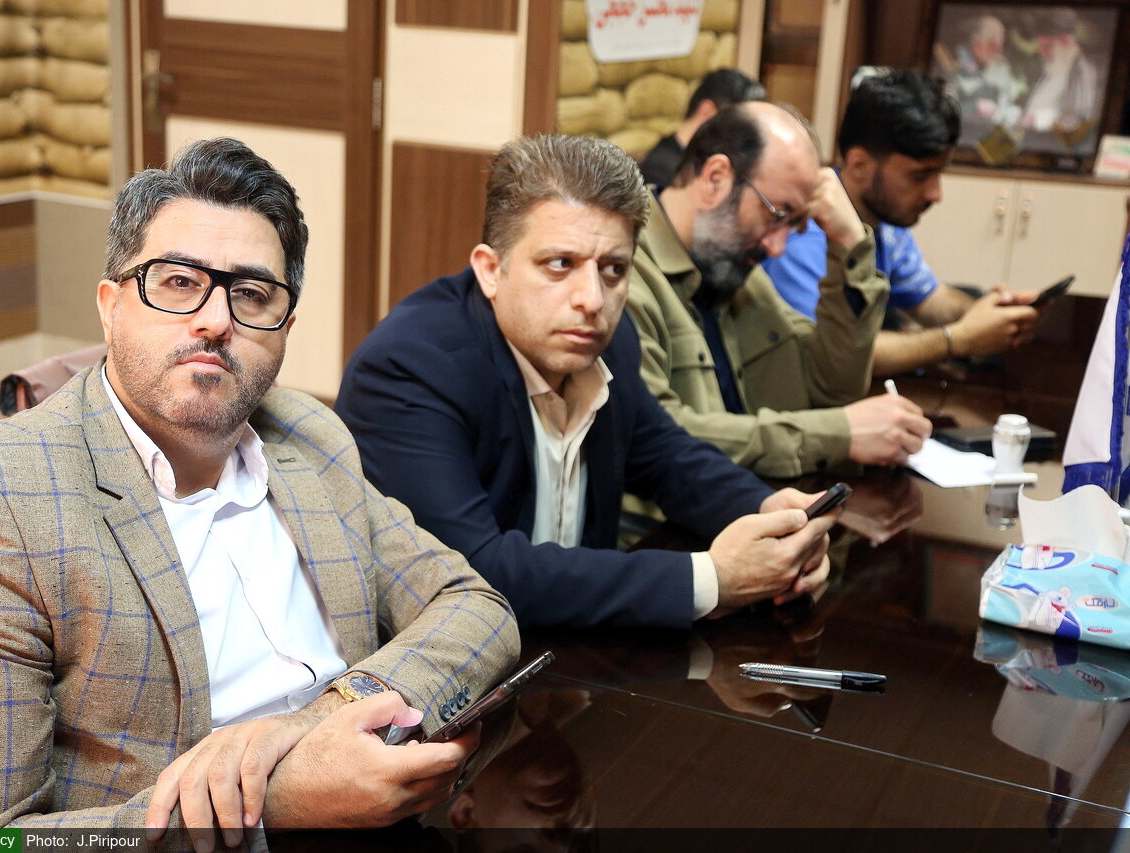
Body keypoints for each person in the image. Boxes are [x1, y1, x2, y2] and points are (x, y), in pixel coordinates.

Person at [0, 138, 520, 837]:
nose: (216, 319)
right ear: (110, 305)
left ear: (285, 328)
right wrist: (277, 800)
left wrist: (316, 719)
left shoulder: (309, 433)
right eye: (178, 282)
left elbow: (475, 607)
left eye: (251, 294)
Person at [336, 134, 838, 631]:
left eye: (614, 269)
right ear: (490, 270)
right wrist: (712, 579)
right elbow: (476, 573)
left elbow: (667, 457)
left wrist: (769, 510)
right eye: (561, 264)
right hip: (447, 665)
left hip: (578, 652)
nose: (593, 300)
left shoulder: (606, 340)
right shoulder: (409, 368)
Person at [625, 101, 931, 480]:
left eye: (796, 225)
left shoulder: (736, 269)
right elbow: (658, 438)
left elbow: (831, 387)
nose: (777, 248)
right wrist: (837, 434)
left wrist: (849, 244)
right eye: (776, 216)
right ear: (715, 179)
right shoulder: (622, 272)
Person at [763, 69, 1040, 376]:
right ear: (859, 164)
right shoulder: (801, 235)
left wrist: (992, 313)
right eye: (919, 176)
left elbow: (928, 299)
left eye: (939, 174)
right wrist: (956, 340)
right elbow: (830, 356)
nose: (935, 194)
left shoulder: (886, 220)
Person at [639, 68, 766, 191]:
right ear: (707, 112)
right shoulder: (660, 171)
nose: (740, 138)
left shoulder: (706, 160)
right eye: (737, 126)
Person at [1021, 8, 1098, 135]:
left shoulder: (1080, 70)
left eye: (1046, 46)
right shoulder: (1056, 67)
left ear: (1065, 41)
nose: (1041, 53)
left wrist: (1037, 119)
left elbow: (1076, 120)